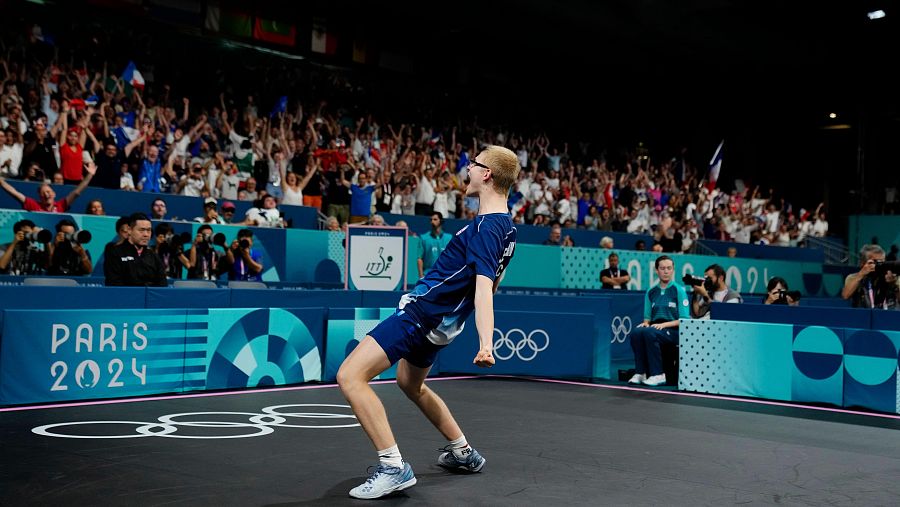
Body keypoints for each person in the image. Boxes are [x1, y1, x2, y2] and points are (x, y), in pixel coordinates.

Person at [336, 145, 519, 499]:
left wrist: (487, 343)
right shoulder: (507, 228)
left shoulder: (486, 227)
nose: (467, 168)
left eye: (474, 164)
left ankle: (393, 468)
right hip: (442, 326)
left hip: (422, 314)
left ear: (487, 175)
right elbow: (496, 281)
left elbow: (485, 289)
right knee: (409, 383)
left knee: (350, 376)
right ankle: (463, 451)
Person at [627, 255, 690, 387]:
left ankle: (658, 374)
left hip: (674, 331)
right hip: (656, 327)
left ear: (673, 270)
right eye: (662, 268)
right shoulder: (651, 291)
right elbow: (647, 319)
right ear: (657, 270)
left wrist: (663, 325)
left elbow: (684, 320)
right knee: (636, 333)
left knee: (650, 332)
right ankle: (640, 372)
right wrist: (645, 323)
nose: (666, 271)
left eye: (669, 268)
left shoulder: (678, 290)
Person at [0, 161, 96, 212]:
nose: (47, 195)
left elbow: (76, 192)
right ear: (39, 196)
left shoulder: (61, 205)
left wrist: (90, 175)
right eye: (43, 193)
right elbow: (14, 193)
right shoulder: (33, 205)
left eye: (49, 192)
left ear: (54, 194)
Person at [104, 213, 167, 287]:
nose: (146, 234)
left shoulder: (153, 256)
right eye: (141, 230)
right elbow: (113, 284)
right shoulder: (115, 253)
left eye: (148, 230)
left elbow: (162, 285)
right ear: (130, 230)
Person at [841, 244, 898, 309]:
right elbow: (845, 296)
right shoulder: (854, 277)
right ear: (862, 263)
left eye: (882, 262)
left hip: (888, 315)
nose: (880, 265)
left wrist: (893, 285)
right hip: (863, 314)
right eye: (875, 262)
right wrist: (861, 274)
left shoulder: (892, 277)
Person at [418, 212, 452, 279]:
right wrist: (421, 276)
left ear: (441, 221)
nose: (432, 222)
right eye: (431, 220)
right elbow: (419, 259)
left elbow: (452, 258)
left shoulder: (449, 238)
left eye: (435, 219)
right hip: (428, 275)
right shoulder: (423, 238)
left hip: (444, 275)